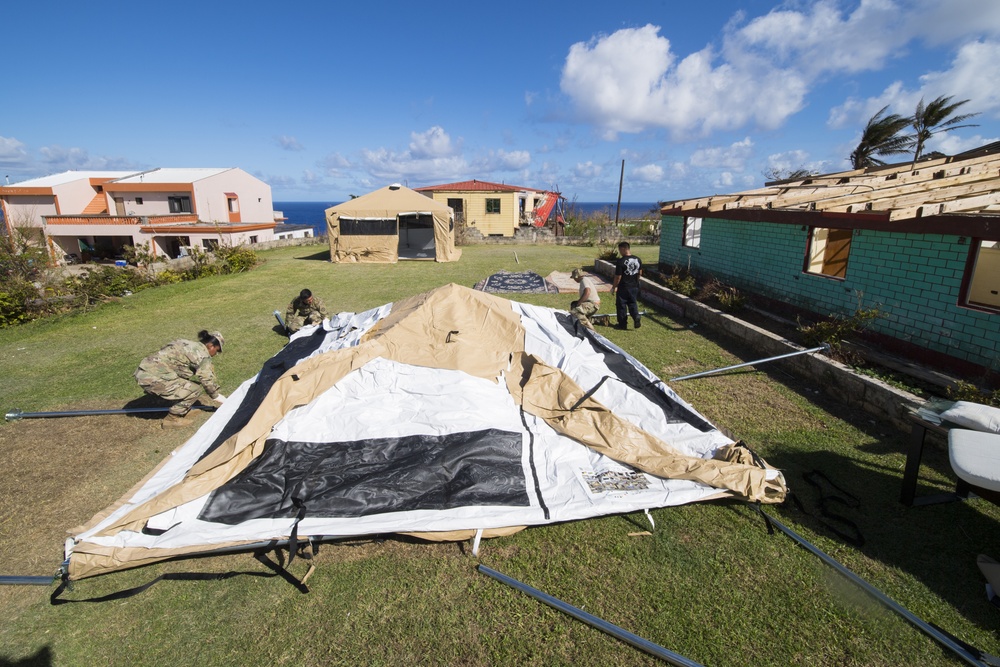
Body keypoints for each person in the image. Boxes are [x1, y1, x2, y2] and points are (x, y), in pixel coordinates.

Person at [134, 330, 226, 428]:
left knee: (189, 384)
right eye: (217, 350)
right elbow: (207, 380)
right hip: (152, 378)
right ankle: (172, 419)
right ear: (211, 346)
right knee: (195, 389)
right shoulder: (203, 355)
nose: (216, 354)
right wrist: (218, 397)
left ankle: (183, 407)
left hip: (142, 372)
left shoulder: (184, 342)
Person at [611, 241, 643, 330]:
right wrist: (636, 282)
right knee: (632, 303)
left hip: (624, 287)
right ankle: (636, 316)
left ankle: (622, 324)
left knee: (621, 305)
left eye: (620, 250)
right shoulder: (638, 259)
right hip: (634, 286)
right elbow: (640, 273)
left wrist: (614, 287)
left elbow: (618, 276)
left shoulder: (621, 261)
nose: (620, 252)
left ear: (624, 249)